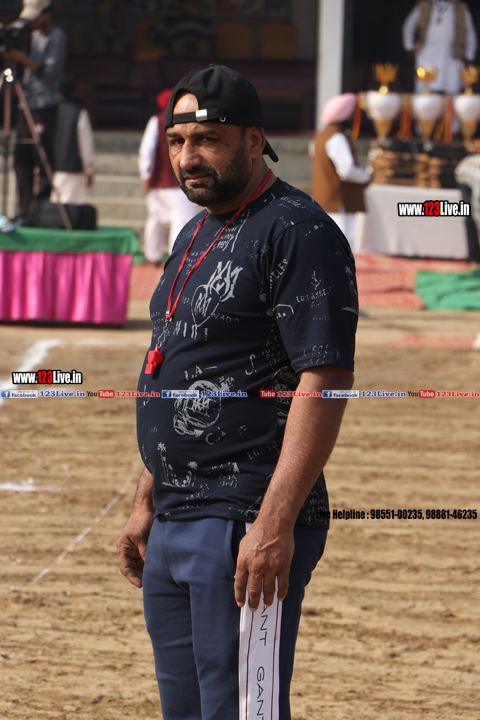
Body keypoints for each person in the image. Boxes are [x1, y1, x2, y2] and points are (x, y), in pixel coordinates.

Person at [117, 64, 358, 720]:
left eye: (208, 140)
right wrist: (146, 501)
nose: (187, 158)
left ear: (254, 141)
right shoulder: (195, 231)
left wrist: (273, 523)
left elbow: (325, 378)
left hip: (244, 521)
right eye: (177, 141)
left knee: (243, 712)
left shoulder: (297, 230)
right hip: (175, 518)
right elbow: (178, 368)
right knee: (187, 711)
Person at [1, 0, 67, 217]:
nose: (33, 22)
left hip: (45, 104)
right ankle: (23, 209)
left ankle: (40, 208)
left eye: (36, 17)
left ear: (47, 13)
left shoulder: (57, 37)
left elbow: (50, 74)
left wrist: (22, 58)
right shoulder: (33, 35)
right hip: (25, 102)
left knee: (43, 156)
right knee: (21, 156)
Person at [138, 88, 197, 265]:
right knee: (181, 221)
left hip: (158, 182)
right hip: (182, 182)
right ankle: (176, 260)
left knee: (155, 219)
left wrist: (146, 176)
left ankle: (153, 256)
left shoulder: (156, 121)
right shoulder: (189, 122)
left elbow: (146, 152)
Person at [310, 93, 371, 249]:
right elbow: (347, 171)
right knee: (342, 244)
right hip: (338, 201)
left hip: (324, 200)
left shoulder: (319, 137)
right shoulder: (337, 137)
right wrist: (368, 177)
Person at [402, 0, 477, 95]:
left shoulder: (461, 8)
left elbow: (471, 35)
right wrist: (409, 48)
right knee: (424, 95)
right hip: (426, 57)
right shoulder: (424, 5)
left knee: (452, 94)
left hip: (452, 59)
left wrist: (469, 56)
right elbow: (408, 26)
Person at [50, 72, 94, 205]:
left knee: (52, 211)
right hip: (71, 170)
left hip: (50, 168)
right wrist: (89, 169)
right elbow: (86, 143)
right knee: (70, 211)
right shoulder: (79, 112)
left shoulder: (49, 111)